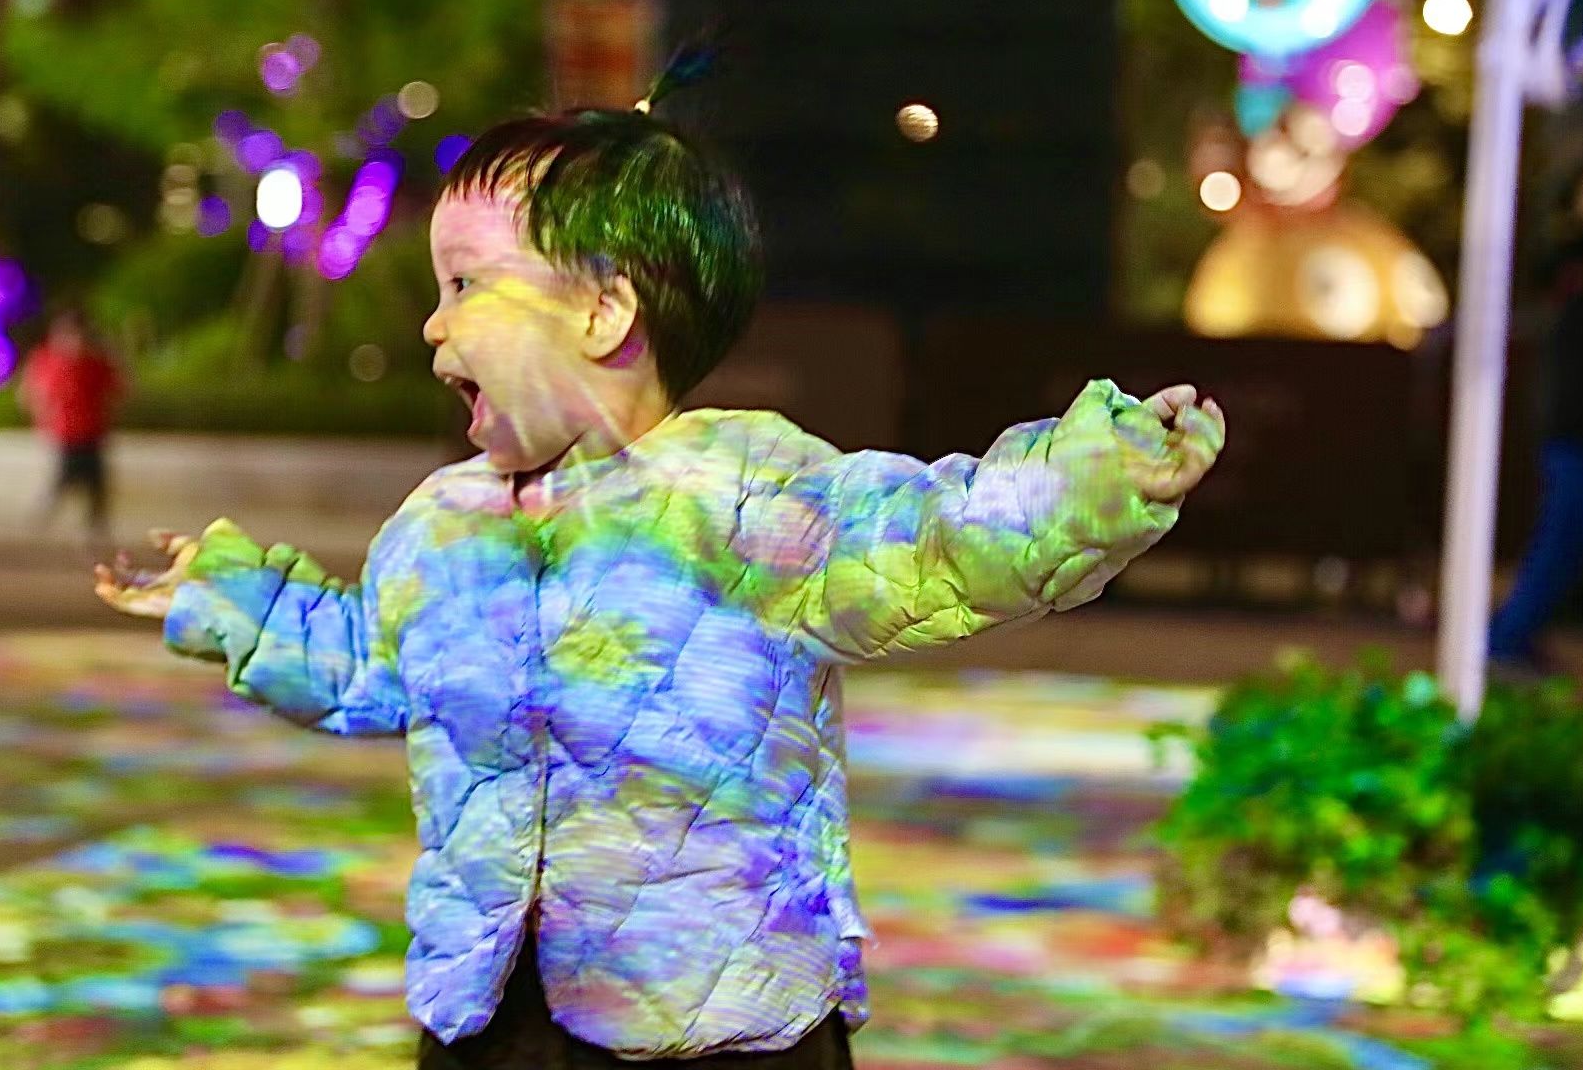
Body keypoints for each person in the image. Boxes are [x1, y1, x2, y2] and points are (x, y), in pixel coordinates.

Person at [95, 59, 1226, 1067]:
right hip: (495, 1013)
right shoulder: (444, 522)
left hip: (716, 1013)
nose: (433, 328)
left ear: (603, 313)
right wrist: (238, 603)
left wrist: (1087, 482)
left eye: (463, 287)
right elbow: (367, 662)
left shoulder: (743, 492)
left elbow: (932, 540)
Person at [1488, 228, 1583, 673]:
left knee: (1557, 552)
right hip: (1578, 449)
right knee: (1558, 551)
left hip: (1574, 449)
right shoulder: (1581, 318)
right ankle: (1505, 638)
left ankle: (1507, 637)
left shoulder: (1578, 317)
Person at [21, 305, 123, 545]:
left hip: (92, 431)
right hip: (65, 432)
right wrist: (43, 418)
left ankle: (95, 528)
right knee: (63, 479)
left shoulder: (95, 363)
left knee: (95, 485)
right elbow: (33, 392)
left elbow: (117, 390)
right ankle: (43, 520)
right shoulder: (48, 360)